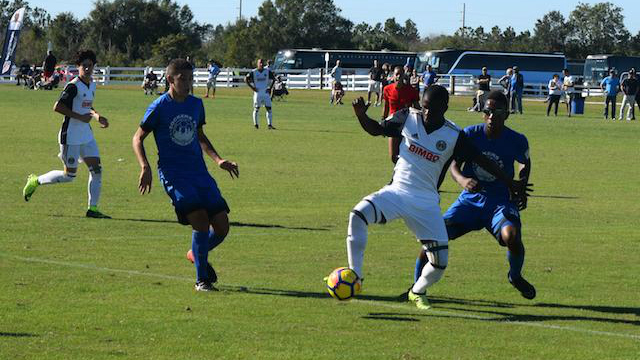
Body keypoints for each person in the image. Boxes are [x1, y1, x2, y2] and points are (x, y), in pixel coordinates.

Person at [349, 85, 527, 310]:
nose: (427, 113)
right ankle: (355, 277)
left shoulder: (454, 135)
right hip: (396, 192)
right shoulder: (407, 116)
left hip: (426, 202)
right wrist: (361, 116)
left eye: (432, 109)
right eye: (424, 107)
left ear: (445, 108)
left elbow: (482, 160)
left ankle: (417, 291)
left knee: (439, 262)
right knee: (357, 215)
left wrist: (510, 182)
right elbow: (377, 129)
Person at [412, 90, 535, 300]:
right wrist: (462, 180)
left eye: (497, 111)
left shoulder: (517, 140)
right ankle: (415, 286)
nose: (491, 115)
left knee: (512, 237)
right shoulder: (469, 134)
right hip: (469, 203)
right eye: (487, 111)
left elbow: (524, 162)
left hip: (499, 203)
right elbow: (453, 165)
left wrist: (521, 184)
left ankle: (515, 276)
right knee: (432, 239)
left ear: (507, 114)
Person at [132, 58, 239, 292]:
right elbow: (137, 137)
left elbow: (199, 134)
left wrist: (219, 160)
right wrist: (145, 167)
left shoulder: (196, 105)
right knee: (200, 221)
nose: (188, 83)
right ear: (170, 79)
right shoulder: (159, 106)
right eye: (183, 79)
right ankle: (202, 280)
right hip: (174, 175)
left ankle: (196, 253)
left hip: (199, 172)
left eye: (191, 79)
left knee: (222, 226)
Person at [22, 50, 111, 218]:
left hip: (86, 135)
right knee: (69, 176)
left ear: (93, 66)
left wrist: (97, 116)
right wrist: (80, 117)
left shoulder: (91, 84)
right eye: (83, 65)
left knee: (97, 170)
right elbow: (58, 107)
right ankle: (36, 180)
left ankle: (93, 209)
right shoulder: (73, 86)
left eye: (89, 65)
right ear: (78, 67)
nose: (87, 68)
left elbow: (87, 107)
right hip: (70, 136)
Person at [245, 58, 276, 129]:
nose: (261, 64)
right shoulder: (254, 72)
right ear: (257, 64)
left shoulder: (267, 71)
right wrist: (252, 88)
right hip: (258, 93)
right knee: (256, 109)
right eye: (260, 63)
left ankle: (269, 125)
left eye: (262, 63)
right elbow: (246, 79)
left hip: (266, 93)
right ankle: (256, 125)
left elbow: (274, 79)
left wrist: (270, 88)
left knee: (269, 109)